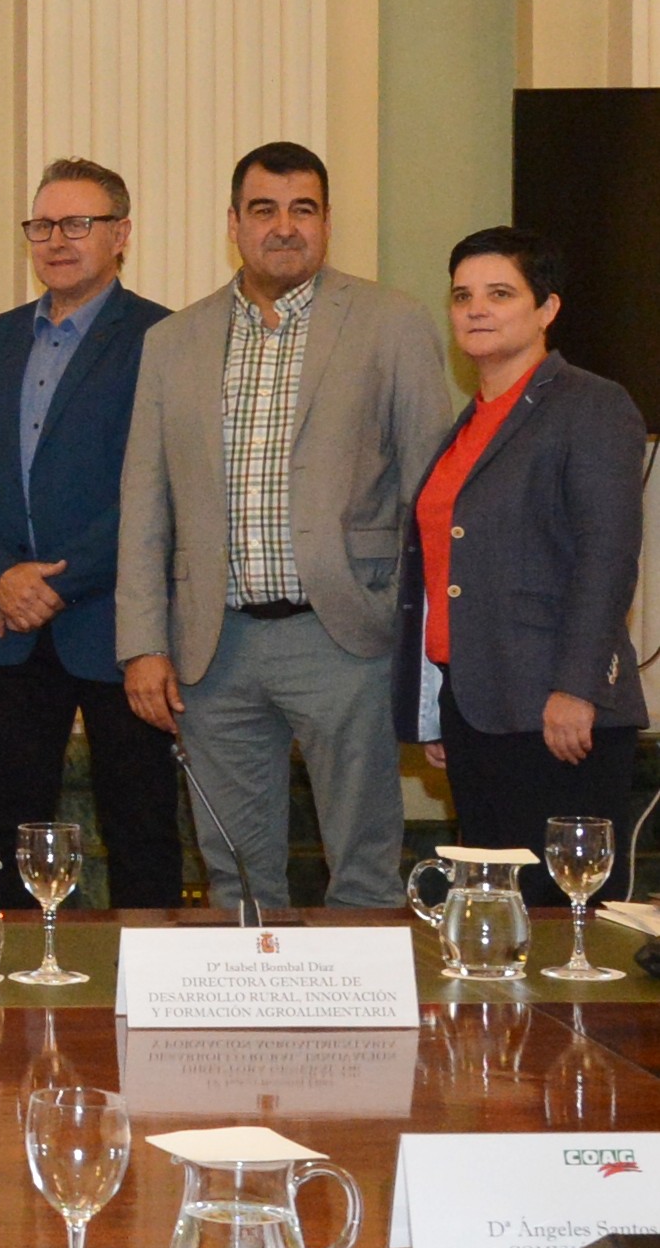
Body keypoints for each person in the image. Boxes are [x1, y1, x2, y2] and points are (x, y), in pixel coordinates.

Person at [119, 142, 455, 912]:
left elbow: (430, 496)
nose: (284, 226)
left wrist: (420, 637)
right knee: (236, 877)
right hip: (215, 648)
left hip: (347, 637)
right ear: (234, 223)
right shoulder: (172, 342)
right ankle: (248, 994)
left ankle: (363, 996)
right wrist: (143, 643)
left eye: (303, 209)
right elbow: (144, 502)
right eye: (264, 209)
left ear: (327, 222)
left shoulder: (392, 323)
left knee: (365, 870)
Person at [0, 161, 177, 908]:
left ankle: (145, 974)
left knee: (141, 830)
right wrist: (0, 577)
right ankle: (18, 976)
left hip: (119, 625)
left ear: (121, 234)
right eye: (43, 225)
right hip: (9, 626)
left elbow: (160, 489)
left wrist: (54, 584)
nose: (57, 240)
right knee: (5, 836)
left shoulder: (164, 337)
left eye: (79, 224)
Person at [396, 226, 646, 902]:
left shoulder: (591, 405)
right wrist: (439, 706)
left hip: (558, 714)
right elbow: (444, 574)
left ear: (547, 308)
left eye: (500, 293)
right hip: (475, 711)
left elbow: (607, 557)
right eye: (462, 296)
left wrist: (576, 689)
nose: (476, 309)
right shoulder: (468, 425)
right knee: (493, 917)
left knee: (567, 917)